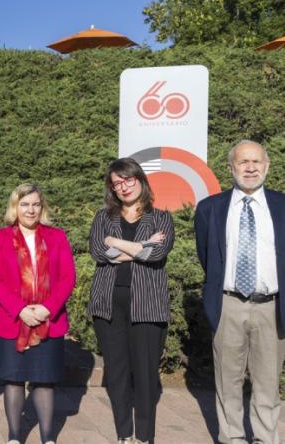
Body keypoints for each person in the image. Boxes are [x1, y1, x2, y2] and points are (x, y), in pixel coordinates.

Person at [194, 140, 285, 444]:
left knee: (268, 384)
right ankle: (232, 438)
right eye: (243, 162)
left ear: (267, 166)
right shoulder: (210, 209)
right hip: (228, 304)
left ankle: (264, 439)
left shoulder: (283, 206)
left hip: (271, 307)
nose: (250, 168)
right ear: (231, 167)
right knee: (227, 381)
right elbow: (208, 257)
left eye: (256, 162)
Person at [87, 158, 174, 444]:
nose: (123, 187)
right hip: (108, 306)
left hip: (147, 307)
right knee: (118, 373)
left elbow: (155, 255)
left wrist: (117, 243)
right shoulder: (103, 218)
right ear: (111, 188)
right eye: (117, 183)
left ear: (140, 179)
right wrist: (142, 246)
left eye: (128, 180)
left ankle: (144, 437)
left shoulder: (161, 218)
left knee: (146, 376)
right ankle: (125, 434)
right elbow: (100, 252)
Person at [0, 184, 76, 444]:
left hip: (50, 319)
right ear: (15, 207)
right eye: (24, 204)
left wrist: (48, 308)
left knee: (44, 381)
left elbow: (68, 277)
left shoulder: (57, 237)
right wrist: (20, 310)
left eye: (35, 204)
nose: (31, 210)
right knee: (13, 380)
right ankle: (15, 437)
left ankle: (48, 438)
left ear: (42, 207)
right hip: (12, 321)